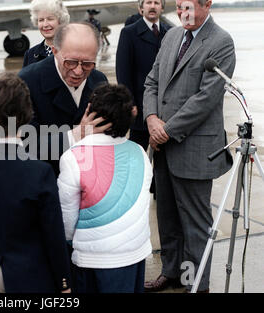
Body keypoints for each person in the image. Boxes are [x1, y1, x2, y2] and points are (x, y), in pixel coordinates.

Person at [142, 0, 235, 293]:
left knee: (195, 223)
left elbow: (206, 99)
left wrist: (166, 130)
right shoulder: (171, 35)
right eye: (180, 7)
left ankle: (196, 283)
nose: (184, 14)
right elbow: (152, 82)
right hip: (163, 146)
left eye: (190, 7)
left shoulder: (221, 42)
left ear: (207, 4)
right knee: (167, 217)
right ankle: (173, 273)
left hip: (192, 148)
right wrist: (151, 118)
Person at [0, 73, 71, 293]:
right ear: (26, 115)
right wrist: (63, 280)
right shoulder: (40, 172)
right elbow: (53, 234)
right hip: (33, 273)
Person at [58, 83, 152, 293]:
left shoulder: (73, 157)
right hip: (135, 254)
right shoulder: (139, 152)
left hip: (94, 259)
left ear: (89, 111)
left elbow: (66, 219)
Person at [18, 22, 109, 176]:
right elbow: (24, 147)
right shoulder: (26, 82)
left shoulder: (99, 80)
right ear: (54, 51)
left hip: (89, 180)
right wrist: (75, 135)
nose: (78, 71)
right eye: (70, 63)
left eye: (87, 64)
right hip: (46, 182)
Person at [116, 0, 171, 151]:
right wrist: (129, 104)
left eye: (157, 2)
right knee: (136, 155)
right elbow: (123, 73)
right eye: (148, 2)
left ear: (162, 7)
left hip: (165, 110)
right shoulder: (129, 33)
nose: (152, 6)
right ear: (141, 7)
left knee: (163, 156)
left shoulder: (171, 32)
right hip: (139, 107)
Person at [22, 0, 69, 67]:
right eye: (41, 20)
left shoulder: (74, 50)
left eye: (50, 19)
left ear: (60, 21)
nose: (45, 24)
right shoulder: (30, 54)